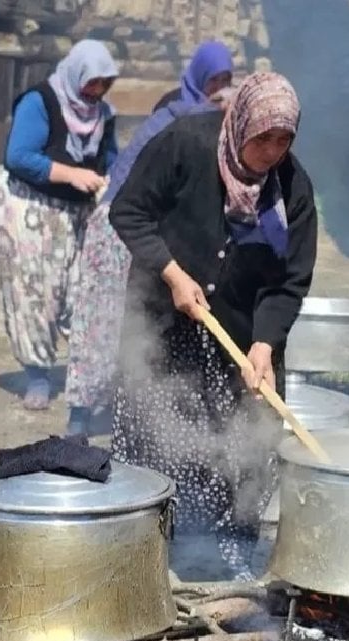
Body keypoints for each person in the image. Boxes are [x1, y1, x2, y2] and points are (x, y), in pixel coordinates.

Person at [108, 72, 318, 580]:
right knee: (163, 443)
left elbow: (289, 281)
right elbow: (128, 211)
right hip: (167, 326)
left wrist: (266, 344)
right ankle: (150, 560)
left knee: (249, 446)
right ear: (239, 122)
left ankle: (226, 564)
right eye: (261, 137)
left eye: (282, 139)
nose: (271, 151)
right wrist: (173, 273)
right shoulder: (184, 145)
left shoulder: (292, 187)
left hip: (243, 339)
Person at [65, 83, 236, 437]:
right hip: (121, 225)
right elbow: (141, 204)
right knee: (105, 321)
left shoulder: (199, 123)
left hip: (141, 229)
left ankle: (115, 408)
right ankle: (82, 413)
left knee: (125, 325)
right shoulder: (182, 127)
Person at [0, 39, 119, 424]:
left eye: (103, 84)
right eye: (92, 82)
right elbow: (18, 156)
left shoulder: (103, 114)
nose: (96, 91)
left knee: (83, 292)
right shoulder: (40, 102)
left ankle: (88, 377)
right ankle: (37, 376)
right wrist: (71, 174)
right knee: (34, 293)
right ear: (77, 73)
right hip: (28, 208)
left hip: (75, 212)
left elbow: (110, 158)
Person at [151, 40, 234, 113]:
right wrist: (210, 106)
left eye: (225, 80)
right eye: (213, 79)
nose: (219, 87)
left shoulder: (231, 105)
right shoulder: (170, 105)